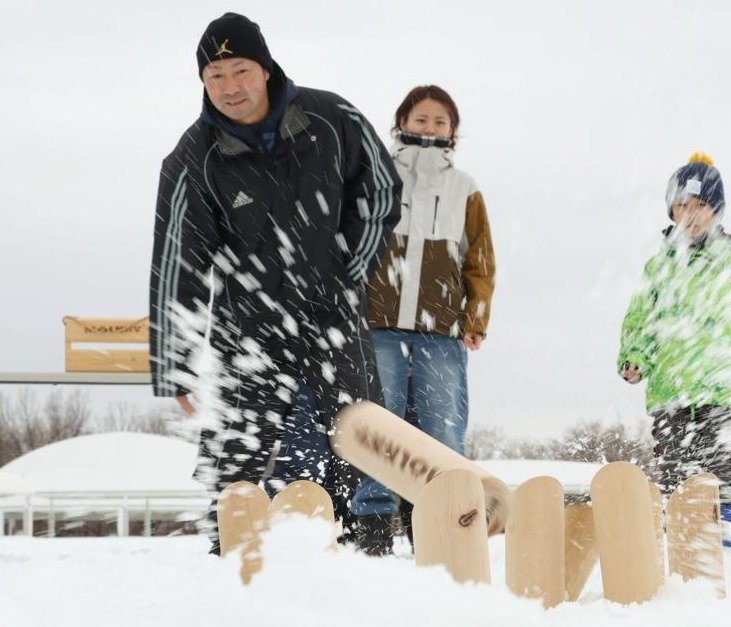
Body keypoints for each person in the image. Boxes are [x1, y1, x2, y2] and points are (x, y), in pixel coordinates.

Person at [148, 13, 401, 552]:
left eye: (239, 70)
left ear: (264, 69)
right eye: (215, 76)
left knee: (351, 438)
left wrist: (350, 265)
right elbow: (178, 263)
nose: (230, 87)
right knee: (237, 452)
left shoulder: (332, 118)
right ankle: (233, 556)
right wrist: (178, 362)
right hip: (247, 329)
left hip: (332, 316)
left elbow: (381, 192)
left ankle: (348, 550)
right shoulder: (195, 157)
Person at [617, 152, 731, 549]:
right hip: (672, 400)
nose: (690, 215)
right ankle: (684, 564)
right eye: (682, 206)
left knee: (729, 484)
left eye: (700, 206)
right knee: (679, 488)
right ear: (671, 210)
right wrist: (635, 358)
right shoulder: (659, 268)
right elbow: (641, 321)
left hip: (726, 399)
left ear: (716, 210)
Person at [352, 85, 496, 555]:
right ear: (401, 123)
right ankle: (372, 520)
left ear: (453, 130)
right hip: (379, 321)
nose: (429, 127)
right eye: (421, 119)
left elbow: (480, 258)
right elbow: (350, 241)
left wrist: (474, 316)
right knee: (380, 423)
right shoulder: (375, 175)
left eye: (440, 121)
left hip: (442, 327)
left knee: (442, 425)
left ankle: (434, 515)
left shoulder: (465, 187)